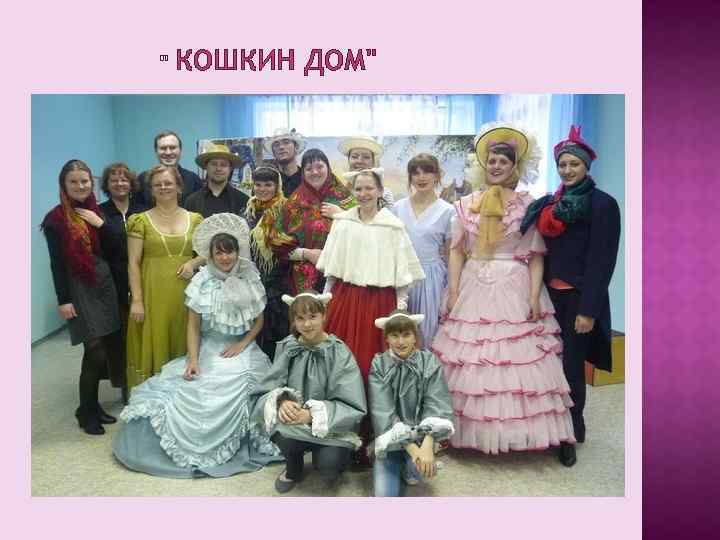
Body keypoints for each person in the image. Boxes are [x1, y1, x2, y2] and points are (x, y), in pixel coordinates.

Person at [431, 123, 576, 461]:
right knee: (472, 356)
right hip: (473, 282)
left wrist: (533, 295)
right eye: (492, 161)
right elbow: (456, 250)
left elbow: (535, 254)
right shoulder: (466, 203)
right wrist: (453, 291)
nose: (496, 166)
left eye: (503, 162)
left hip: (514, 281)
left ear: (514, 167)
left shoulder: (529, 204)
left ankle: (525, 432)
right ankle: (468, 431)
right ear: (484, 165)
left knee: (518, 357)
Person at [113, 213, 282, 477]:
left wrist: (242, 344)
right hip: (210, 348)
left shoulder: (250, 277)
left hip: (242, 348)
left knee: (242, 380)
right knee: (195, 386)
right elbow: (193, 327)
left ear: (237, 252)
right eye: (219, 252)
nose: (225, 258)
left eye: (229, 251)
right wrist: (193, 359)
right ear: (210, 255)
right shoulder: (201, 281)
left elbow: (259, 321)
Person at [520, 125, 621, 467]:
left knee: (571, 367)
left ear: (586, 166)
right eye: (562, 165)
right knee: (547, 364)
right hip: (549, 297)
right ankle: (548, 426)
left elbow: (602, 260)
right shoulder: (551, 203)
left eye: (573, 164)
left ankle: (570, 433)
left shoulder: (603, 204)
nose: (567, 170)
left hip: (578, 300)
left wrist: (589, 310)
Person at [251, 292, 367, 493]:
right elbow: (266, 388)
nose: (307, 324)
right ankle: (293, 465)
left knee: (329, 466)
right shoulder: (288, 347)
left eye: (313, 317)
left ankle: (328, 458)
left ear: (324, 316)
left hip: (331, 426)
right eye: (300, 318)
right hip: (295, 425)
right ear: (293, 321)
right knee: (283, 436)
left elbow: (352, 403)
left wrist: (312, 415)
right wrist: (282, 401)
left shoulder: (339, 352)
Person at [317, 169, 425, 383]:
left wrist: (400, 308)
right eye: (358, 189)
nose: (363, 193)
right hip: (345, 300)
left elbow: (402, 274)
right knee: (341, 358)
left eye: (369, 188)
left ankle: (376, 401)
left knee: (373, 359)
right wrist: (325, 301)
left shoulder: (392, 227)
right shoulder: (343, 222)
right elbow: (332, 270)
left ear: (380, 191)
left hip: (379, 303)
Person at [41, 160, 121, 435]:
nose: (80, 186)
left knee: (104, 348)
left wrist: (101, 224)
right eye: (73, 182)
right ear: (64, 185)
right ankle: (86, 411)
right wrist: (63, 299)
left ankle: (92, 406)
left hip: (103, 283)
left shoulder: (98, 211)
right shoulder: (55, 219)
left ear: (91, 182)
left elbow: (116, 248)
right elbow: (56, 264)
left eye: (84, 181)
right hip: (78, 286)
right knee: (94, 348)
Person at [126, 164, 205, 390]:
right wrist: (137, 300)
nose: (163, 187)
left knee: (184, 337)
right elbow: (133, 262)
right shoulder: (139, 220)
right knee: (156, 339)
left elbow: (207, 254)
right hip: (152, 294)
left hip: (186, 294)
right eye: (157, 184)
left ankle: (182, 395)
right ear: (151, 190)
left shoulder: (196, 219)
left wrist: (192, 263)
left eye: (168, 183)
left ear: (179, 187)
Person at [369, 311, 454, 497]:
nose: (401, 342)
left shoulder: (428, 361)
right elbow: (383, 411)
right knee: (384, 495)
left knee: (419, 471)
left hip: (420, 436)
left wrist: (427, 446)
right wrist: (415, 452)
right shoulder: (379, 364)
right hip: (392, 438)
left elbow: (436, 402)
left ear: (415, 336)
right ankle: (400, 461)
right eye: (394, 335)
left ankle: (411, 467)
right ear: (386, 338)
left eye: (406, 335)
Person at [268, 148, 354, 295]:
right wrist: (307, 254)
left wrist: (342, 215)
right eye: (308, 169)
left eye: (319, 167)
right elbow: (276, 242)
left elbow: (364, 229)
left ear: (328, 168)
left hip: (342, 274)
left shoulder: (344, 197)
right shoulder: (294, 203)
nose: (315, 172)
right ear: (303, 173)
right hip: (305, 280)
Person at [392, 154, 455, 346]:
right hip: (402, 277)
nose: (421, 177)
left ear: (437, 176)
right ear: (410, 177)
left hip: (431, 279)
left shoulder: (448, 211)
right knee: (399, 332)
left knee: (426, 333)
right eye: (416, 173)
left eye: (427, 171)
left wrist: (452, 289)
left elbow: (451, 254)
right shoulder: (397, 208)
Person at [97, 163, 147, 402]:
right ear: (107, 185)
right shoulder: (99, 213)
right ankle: (124, 385)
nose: (119, 183)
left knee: (141, 334)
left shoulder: (143, 210)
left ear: (131, 183)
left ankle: (144, 380)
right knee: (119, 339)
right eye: (114, 180)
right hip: (113, 282)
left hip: (142, 280)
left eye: (124, 179)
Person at [244, 164, 290, 360]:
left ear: (277, 186)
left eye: (268, 185)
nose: (262, 189)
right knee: (254, 332)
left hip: (280, 281)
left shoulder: (287, 210)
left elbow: (291, 243)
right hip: (253, 281)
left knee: (276, 332)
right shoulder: (247, 210)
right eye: (258, 184)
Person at [135, 130, 203, 207]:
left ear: (180, 150)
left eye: (173, 148)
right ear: (156, 151)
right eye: (163, 148)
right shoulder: (143, 179)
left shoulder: (194, 180)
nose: (168, 152)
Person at [185, 143, 249, 217]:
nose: (218, 168)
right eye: (214, 164)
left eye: (223, 165)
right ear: (206, 166)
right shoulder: (192, 201)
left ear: (230, 169)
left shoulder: (243, 200)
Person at [338, 135, 395, 207]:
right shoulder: (339, 192)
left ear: (373, 162)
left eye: (366, 157)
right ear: (348, 160)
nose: (359, 161)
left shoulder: (385, 193)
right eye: (354, 157)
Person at [264, 128, 305, 197]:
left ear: (296, 147)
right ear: (273, 152)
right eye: (276, 144)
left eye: (286, 142)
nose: (281, 147)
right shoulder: (268, 180)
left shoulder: (307, 178)